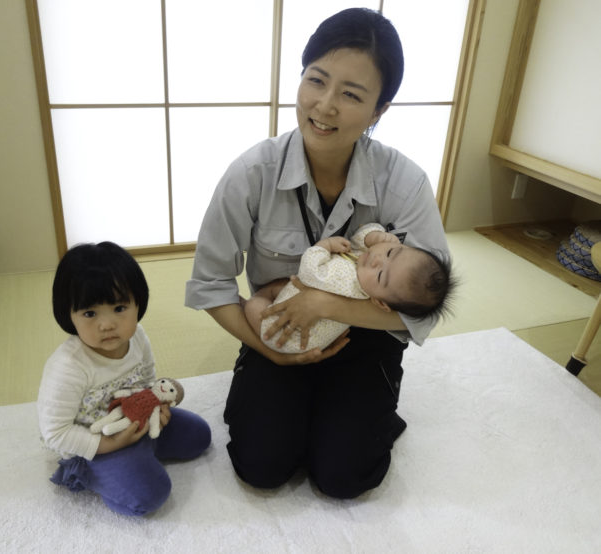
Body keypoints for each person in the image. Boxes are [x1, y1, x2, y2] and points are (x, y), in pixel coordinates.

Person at [185, 7, 451, 499]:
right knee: (261, 466)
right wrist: (265, 348)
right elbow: (211, 284)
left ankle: (351, 415)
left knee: (344, 477)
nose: (324, 106)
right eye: (316, 80)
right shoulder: (251, 173)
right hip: (278, 327)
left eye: (351, 95)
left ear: (378, 112)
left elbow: (423, 308)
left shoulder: (405, 181)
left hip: (366, 337)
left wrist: (327, 305)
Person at [38, 241, 211, 516]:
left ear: (137, 303)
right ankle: (87, 473)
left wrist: (160, 407)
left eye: (119, 308)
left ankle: (142, 452)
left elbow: (148, 381)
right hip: (97, 442)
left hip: (138, 421)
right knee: (150, 495)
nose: (107, 324)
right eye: (90, 313)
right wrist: (110, 445)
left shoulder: (138, 337)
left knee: (200, 436)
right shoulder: (68, 367)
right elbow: (55, 433)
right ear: (68, 316)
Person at [244, 223, 453, 354]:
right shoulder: (367, 277)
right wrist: (374, 236)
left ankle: (249, 305)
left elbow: (309, 271)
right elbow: (359, 240)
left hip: (285, 336)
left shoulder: (347, 281)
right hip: (309, 327)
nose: (376, 260)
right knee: (280, 289)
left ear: (379, 303)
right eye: (390, 252)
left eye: (381, 275)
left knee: (256, 305)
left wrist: (324, 246)